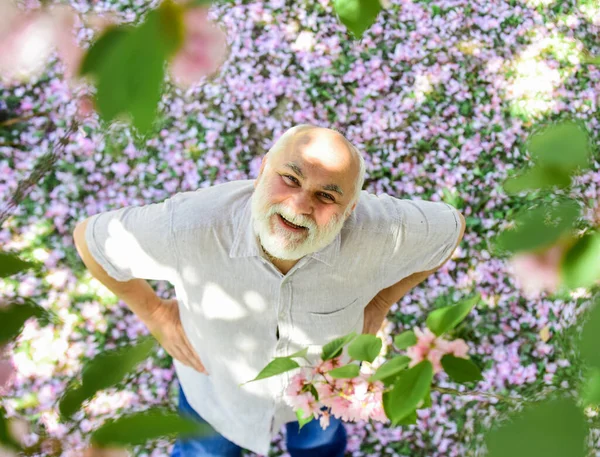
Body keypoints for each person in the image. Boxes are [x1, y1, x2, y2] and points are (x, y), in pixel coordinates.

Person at [73, 124, 465, 456]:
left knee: (320, 446)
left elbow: (451, 229)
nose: (298, 206)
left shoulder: (382, 231)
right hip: (216, 396)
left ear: (350, 210)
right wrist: (155, 313)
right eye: (290, 179)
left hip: (321, 395)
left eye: (327, 196)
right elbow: (90, 240)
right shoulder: (190, 226)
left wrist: (381, 302)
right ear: (262, 171)